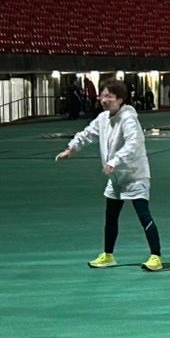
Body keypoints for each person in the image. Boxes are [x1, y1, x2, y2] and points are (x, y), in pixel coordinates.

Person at [56, 79, 162, 272]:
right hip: (115, 179)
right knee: (111, 217)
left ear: (120, 99)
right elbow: (88, 133)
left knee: (143, 215)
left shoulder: (129, 119)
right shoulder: (103, 118)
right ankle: (108, 255)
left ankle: (156, 257)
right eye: (102, 96)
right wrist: (72, 148)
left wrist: (114, 161)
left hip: (135, 175)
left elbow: (133, 144)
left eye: (109, 96)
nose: (104, 100)